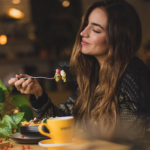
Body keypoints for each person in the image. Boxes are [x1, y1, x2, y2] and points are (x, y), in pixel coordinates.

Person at [8, 0, 150, 137]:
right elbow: (62, 120)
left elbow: (140, 132)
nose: (83, 32)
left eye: (95, 30)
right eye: (86, 24)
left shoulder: (133, 75)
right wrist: (38, 93)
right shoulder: (93, 75)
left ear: (118, 38)